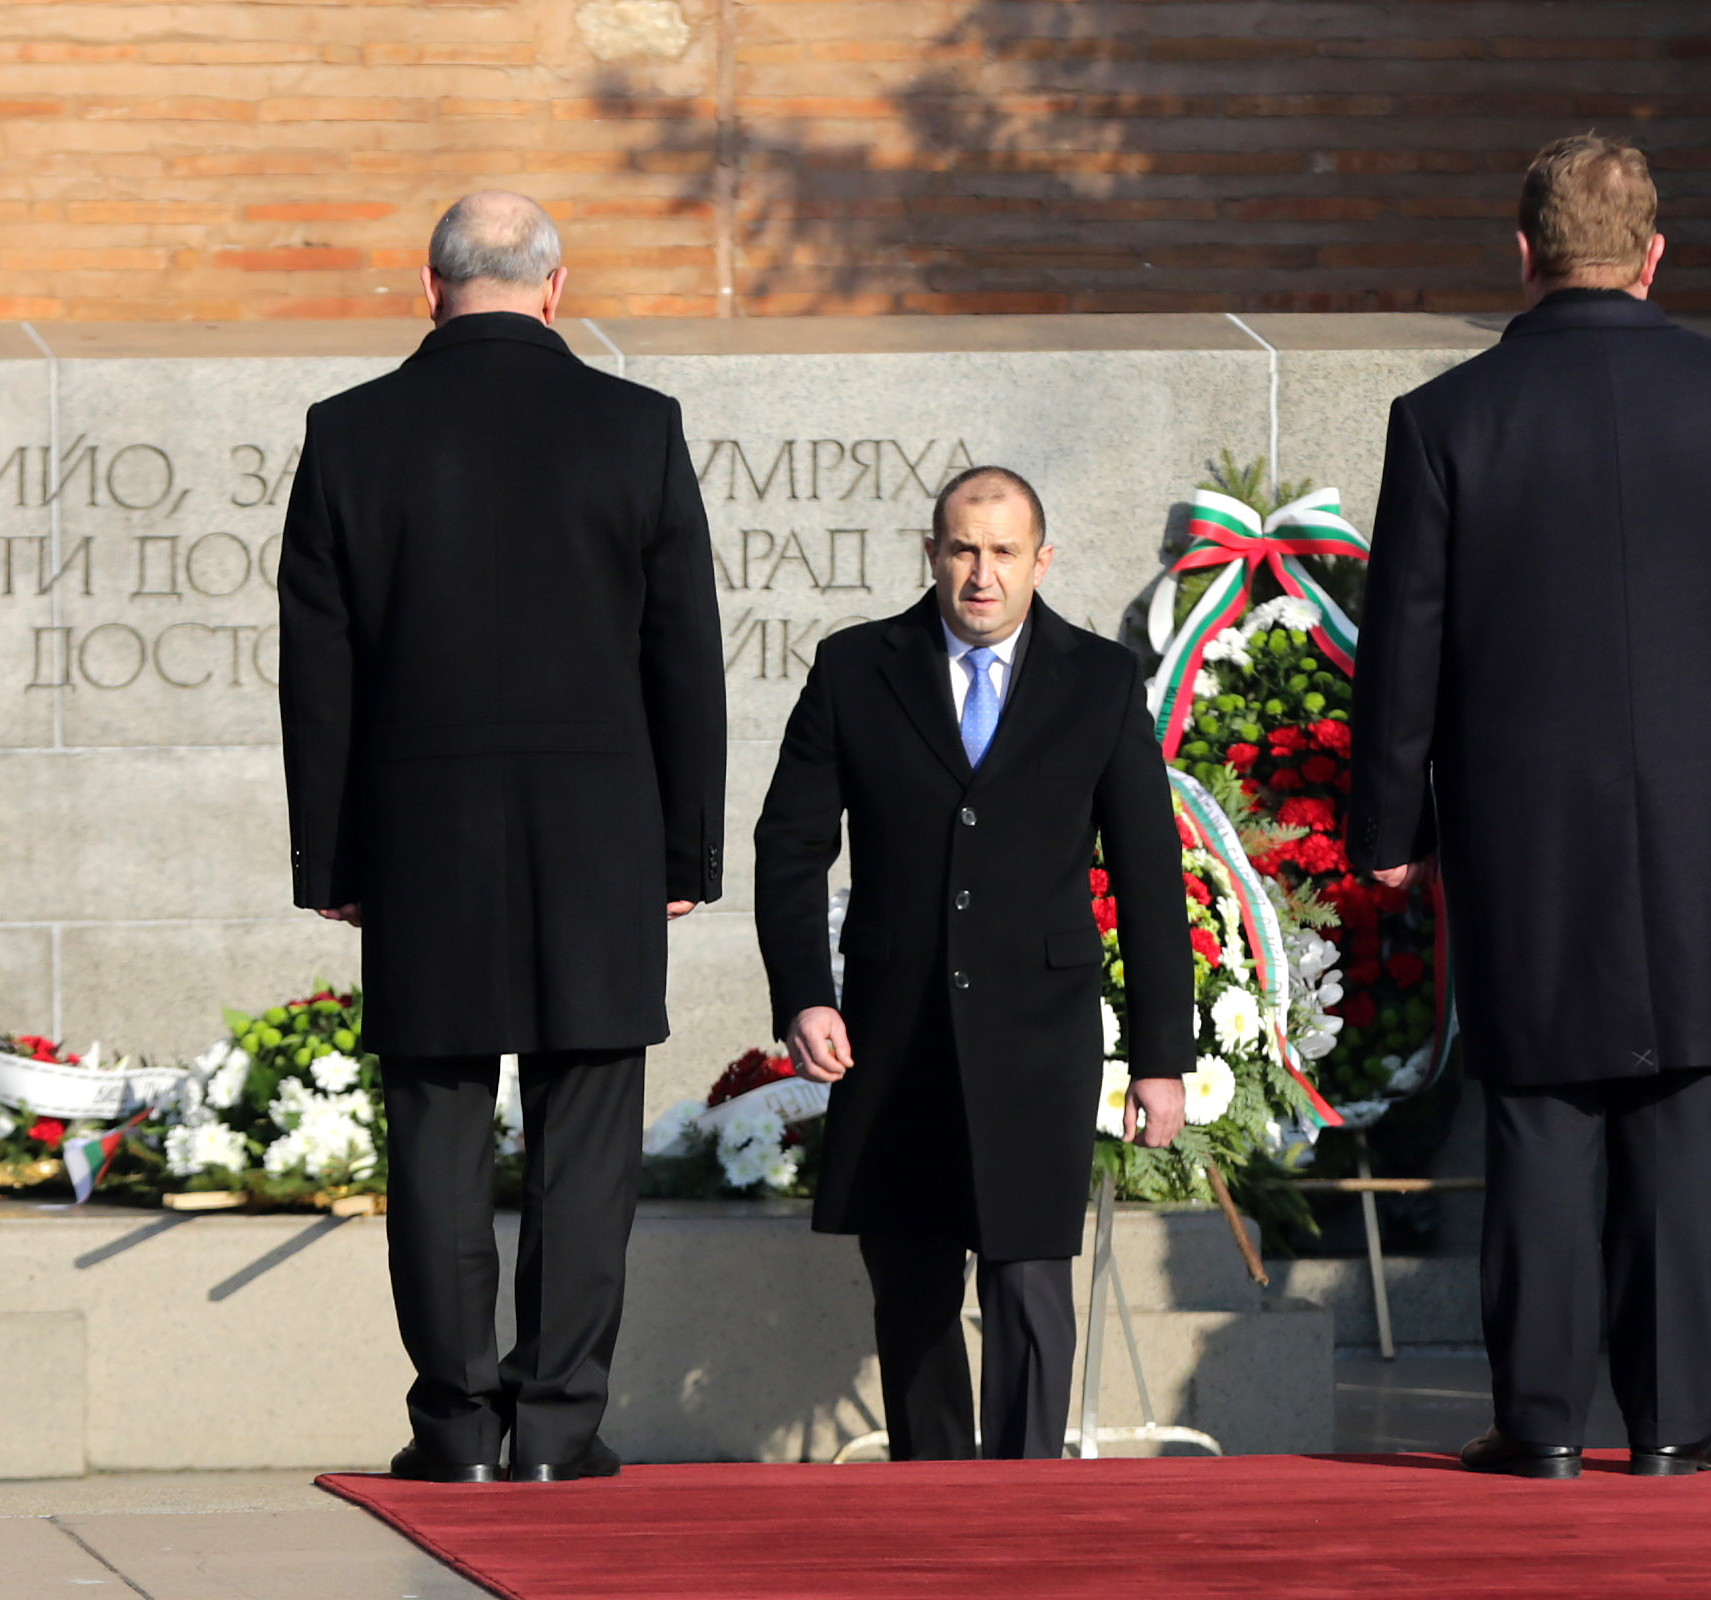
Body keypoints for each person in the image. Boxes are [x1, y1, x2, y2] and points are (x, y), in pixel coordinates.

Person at [1346, 134, 1711, 1480]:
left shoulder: (1448, 418)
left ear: (1522, 253)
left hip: (1525, 831)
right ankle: (1682, 1423)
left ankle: (1543, 1425)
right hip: (1707, 822)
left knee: (1538, 1117)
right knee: (1684, 1112)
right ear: (1653, 255)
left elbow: (1406, 649)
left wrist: (1387, 828)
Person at [277, 191, 726, 1484]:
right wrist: (684, 854)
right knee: (586, 1139)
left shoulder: (351, 436)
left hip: (425, 841)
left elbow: (321, 671)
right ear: (555, 285)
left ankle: (456, 1429)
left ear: (427, 289)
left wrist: (335, 860)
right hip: (599, 840)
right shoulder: (636, 428)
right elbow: (682, 659)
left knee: (435, 1134)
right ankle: (560, 1426)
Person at [752, 466, 1195, 1462]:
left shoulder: (1100, 681)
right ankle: (935, 1503)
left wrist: (1162, 1055)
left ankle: (1032, 1506)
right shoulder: (857, 667)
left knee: (1031, 1283)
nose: (980, 574)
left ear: (1043, 560)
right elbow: (788, 845)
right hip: (892, 1032)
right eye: (962, 549)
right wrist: (804, 997)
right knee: (910, 1284)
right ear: (932, 553)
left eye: (1002, 552)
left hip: (1039, 1037)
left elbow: (1148, 877)